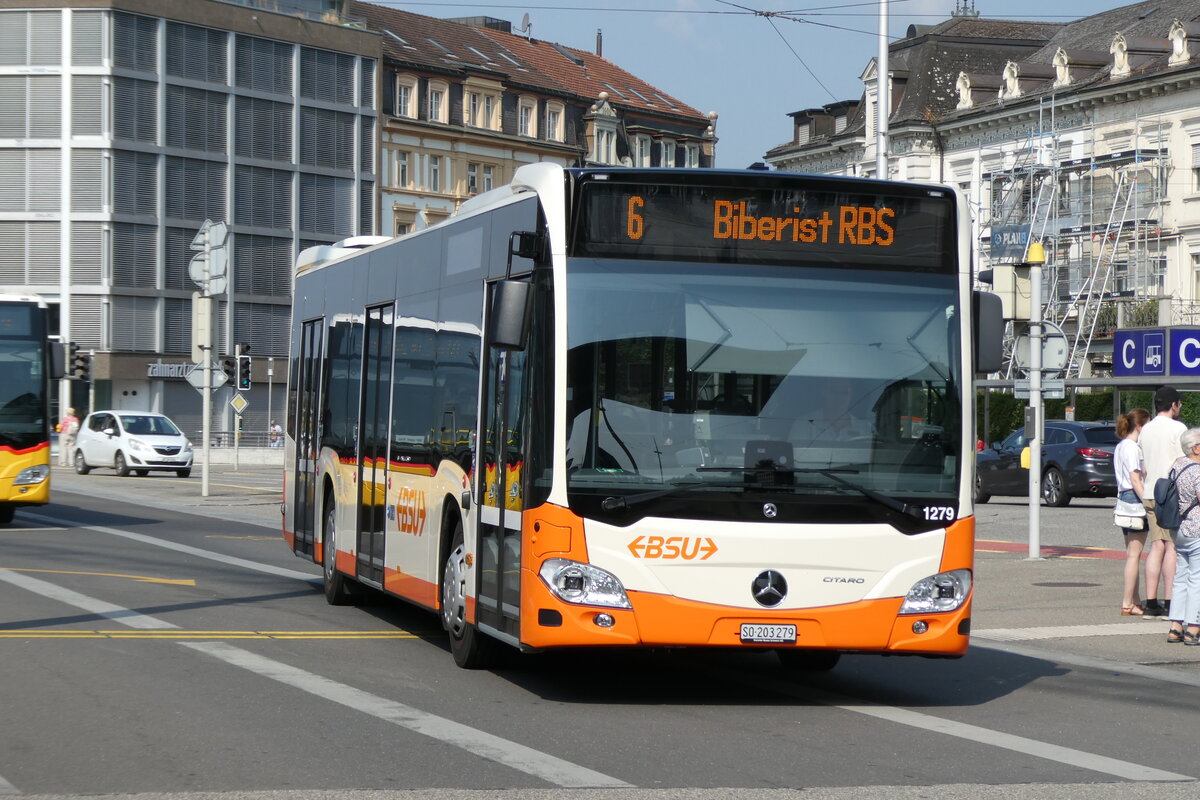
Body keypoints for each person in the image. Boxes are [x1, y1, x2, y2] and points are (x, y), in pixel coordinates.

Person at [1140, 386, 1185, 617]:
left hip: (1150, 493)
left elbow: (1144, 467)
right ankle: (1169, 602)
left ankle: (1150, 602)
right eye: (1179, 403)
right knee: (1172, 548)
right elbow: (1183, 462)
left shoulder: (1145, 430)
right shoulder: (1178, 429)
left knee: (1156, 545)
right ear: (1173, 404)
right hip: (1171, 494)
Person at [1113, 408, 1150, 616]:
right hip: (1134, 498)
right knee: (1134, 555)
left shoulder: (1121, 446)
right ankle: (1128, 602)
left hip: (1122, 498)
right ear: (1139, 426)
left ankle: (1134, 600)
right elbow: (1136, 479)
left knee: (1131, 553)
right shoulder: (1133, 448)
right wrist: (1148, 501)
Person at [1165, 427, 1200, 646]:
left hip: (1178, 528)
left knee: (1181, 579)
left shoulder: (1177, 466)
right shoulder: (1197, 471)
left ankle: (1175, 627)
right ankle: (1193, 629)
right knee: (1197, 579)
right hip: (1197, 528)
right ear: (1196, 448)